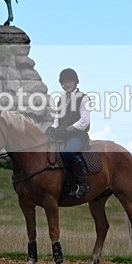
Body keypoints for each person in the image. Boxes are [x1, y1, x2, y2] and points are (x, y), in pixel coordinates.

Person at [45, 68, 91, 198]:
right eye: (64, 82)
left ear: (75, 82)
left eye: (70, 81)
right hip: (63, 136)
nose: (67, 84)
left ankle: (82, 184)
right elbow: (56, 120)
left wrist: (68, 129)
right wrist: (52, 128)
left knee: (68, 153)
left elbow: (84, 121)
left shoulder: (84, 98)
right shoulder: (61, 100)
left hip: (78, 136)